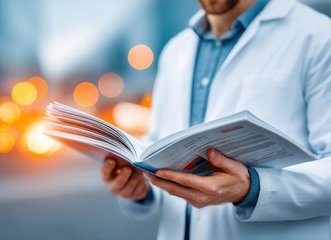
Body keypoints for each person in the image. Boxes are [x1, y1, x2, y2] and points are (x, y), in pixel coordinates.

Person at [100, 0, 331, 239]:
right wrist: (139, 188)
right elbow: (162, 152)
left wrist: (252, 189)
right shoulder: (175, 51)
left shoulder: (318, 37)